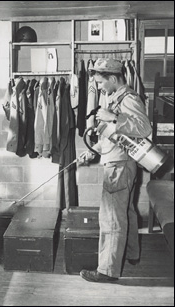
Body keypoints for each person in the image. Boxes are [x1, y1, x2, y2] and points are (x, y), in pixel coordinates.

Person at [79, 58, 152, 283]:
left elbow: (144, 127)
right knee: (126, 212)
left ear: (112, 78)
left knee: (111, 218)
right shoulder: (113, 98)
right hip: (119, 162)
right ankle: (131, 254)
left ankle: (107, 271)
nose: (99, 87)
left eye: (101, 83)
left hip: (119, 166)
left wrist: (114, 117)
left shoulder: (129, 98)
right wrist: (93, 150)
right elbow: (115, 135)